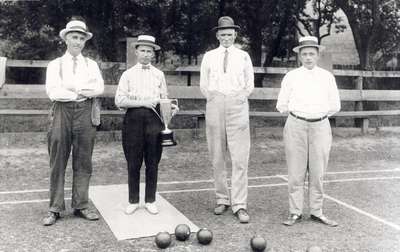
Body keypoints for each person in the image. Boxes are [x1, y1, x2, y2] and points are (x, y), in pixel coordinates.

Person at [43, 18, 104, 226]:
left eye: (81, 38)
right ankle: (55, 208)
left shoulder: (92, 65)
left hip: (86, 112)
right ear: (66, 39)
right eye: (74, 37)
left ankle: (81, 205)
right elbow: (53, 92)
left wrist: (73, 89)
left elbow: (98, 89)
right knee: (58, 159)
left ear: (85, 41)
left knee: (84, 159)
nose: (77, 42)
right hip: (62, 112)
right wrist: (78, 91)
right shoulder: (55, 65)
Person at [276, 36, 341, 227]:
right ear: (299, 56)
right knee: (296, 172)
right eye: (304, 54)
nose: (308, 57)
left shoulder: (327, 77)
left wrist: (317, 116)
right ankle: (295, 212)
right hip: (296, 125)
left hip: (320, 126)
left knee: (317, 172)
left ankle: (316, 211)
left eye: (312, 54)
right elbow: (282, 104)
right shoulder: (291, 76)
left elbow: (335, 105)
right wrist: (301, 115)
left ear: (318, 55)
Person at [200, 16, 254, 223]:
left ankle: (240, 204)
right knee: (217, 155)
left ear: (235, 35)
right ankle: (222, 199)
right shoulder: (209, 56)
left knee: (240, 157)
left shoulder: (243, 56)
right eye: (223, 35)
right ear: (217, 35)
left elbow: (249, 82)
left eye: (230, 35)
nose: (226, 38)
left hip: (237, 104)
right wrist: (212, 97)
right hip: (215, 103)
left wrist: (241, 96)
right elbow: (204, 83)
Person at [115, 35, 177, 215]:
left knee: (153, 161)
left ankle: (150, 200)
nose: (145, 54)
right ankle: (133, 200)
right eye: (142, 50)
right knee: (133, 162)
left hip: (154, 121)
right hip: (133, 121)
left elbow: (164, 99)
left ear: (153, 54)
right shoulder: (127, 74)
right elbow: (119, 100)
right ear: (136, 52)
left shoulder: (159, 74)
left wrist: (170, 108)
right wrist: (141, 103)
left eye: (149, 51)